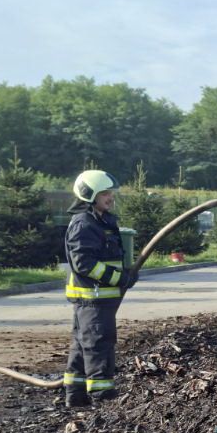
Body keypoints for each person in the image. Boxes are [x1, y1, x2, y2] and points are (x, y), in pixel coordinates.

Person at [63, 169, 135, 408]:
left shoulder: (98, 221)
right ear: (89, 194)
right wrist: (118, 278)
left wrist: (125, 275)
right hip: (92, 299)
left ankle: (76, 397)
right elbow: (83, 264)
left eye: (111, 193)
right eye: (105, 193)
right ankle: (103, 399)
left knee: (82, 347)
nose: (110, 198)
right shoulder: (84, 224)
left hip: (98, 299)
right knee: (98, 345)